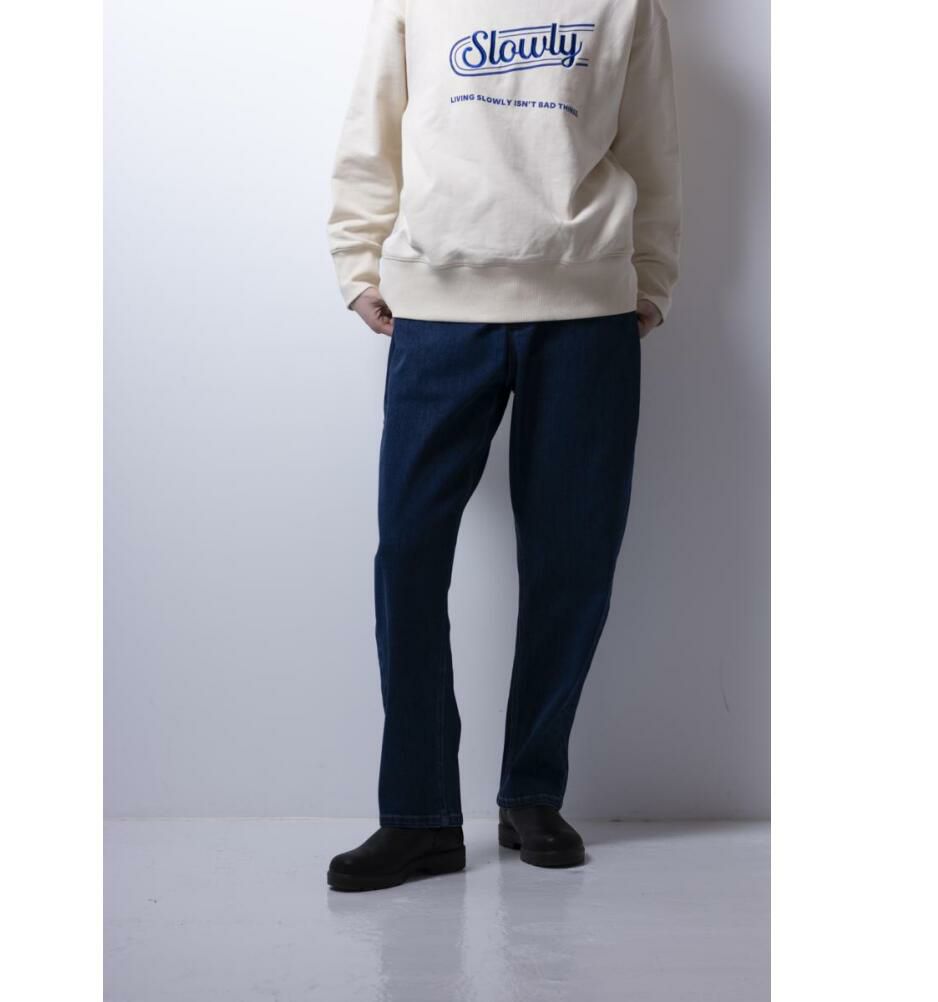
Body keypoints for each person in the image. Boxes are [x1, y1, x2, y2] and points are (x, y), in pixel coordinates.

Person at [325, 0, 681, 892]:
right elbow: (373, 130)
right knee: (409, 557)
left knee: (573, 561)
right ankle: (418, 819)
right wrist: (358, 264)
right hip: (438, 307)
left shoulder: (626, 5)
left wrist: (651, 279)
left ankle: (532, 794)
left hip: (586, 311)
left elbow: (653, 151)